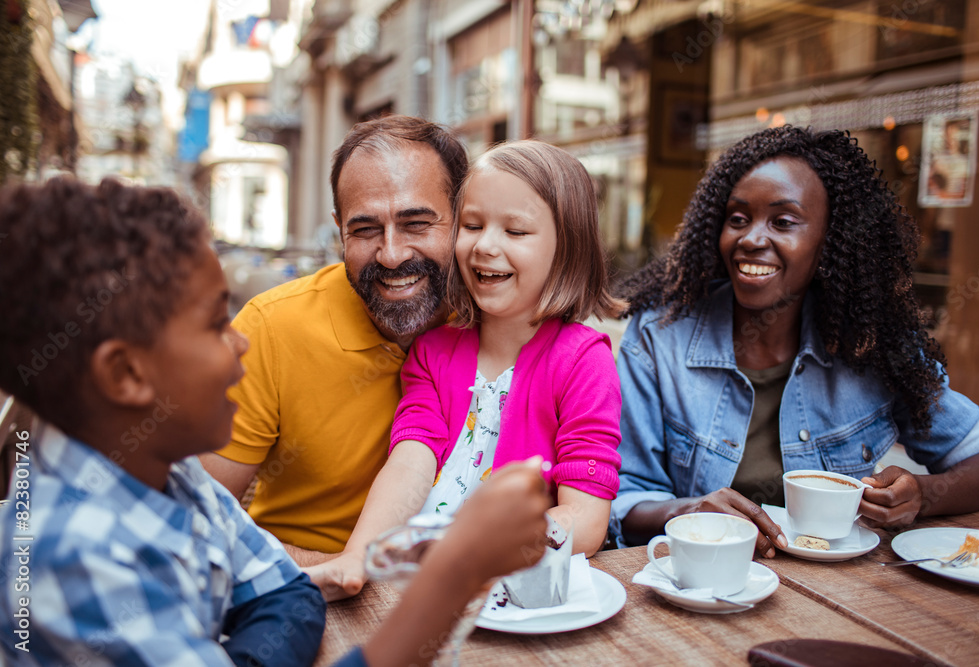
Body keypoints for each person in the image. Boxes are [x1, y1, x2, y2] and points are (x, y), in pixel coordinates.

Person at [0, 177, 551, 667]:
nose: (241, 342)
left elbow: (286, 596)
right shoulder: (76, 558)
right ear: (125, 374)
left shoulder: (169, 476)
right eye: (217, 324)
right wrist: (451, 577)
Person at [611, 126, 979, 556]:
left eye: (783, 222)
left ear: (829, 241)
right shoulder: (659, 335)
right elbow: (625, 498)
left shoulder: (872, 341)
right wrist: (686, 511)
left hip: (844, 591)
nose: (752, 239)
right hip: (709, 585)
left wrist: (923, 495)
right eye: (737, 219)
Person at [307, 140, 628, 601]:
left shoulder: (583, 360)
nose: (485, 246)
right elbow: (410, 461)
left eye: (515, 231)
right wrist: (359, 555)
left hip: (522, 593)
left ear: (566, 249)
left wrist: (483, 552)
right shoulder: (433, 350)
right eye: (472, 225)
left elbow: (586, 519)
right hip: (424, 583)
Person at [199, 115, 469, 563]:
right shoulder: (270, 329)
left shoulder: (498, 321)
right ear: (338, 228)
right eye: (364, 230)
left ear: (463, 218)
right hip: (303, 589)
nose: (392, 253)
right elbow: (197, 520)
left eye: (417, 223)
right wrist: (348, 573)